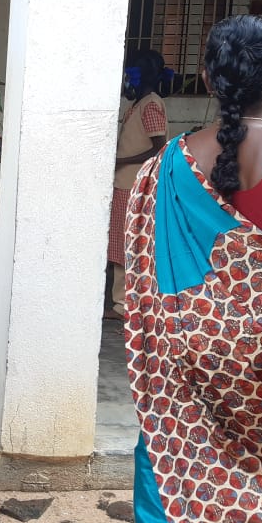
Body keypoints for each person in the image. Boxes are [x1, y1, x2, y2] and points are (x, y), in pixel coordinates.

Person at [126, 15, 262, 523]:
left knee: (176, 481)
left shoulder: (164, 168)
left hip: (181, 373)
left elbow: (145, 277)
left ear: (206, 78)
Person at [108, 49, 169, 320]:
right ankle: (120, 303)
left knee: (125, 247)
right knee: (119, 245)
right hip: (124, 182)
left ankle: (125, 306)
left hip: (133, 183)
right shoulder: (141, 103)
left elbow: (158, 147)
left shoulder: (151, 104)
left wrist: (122, 159)